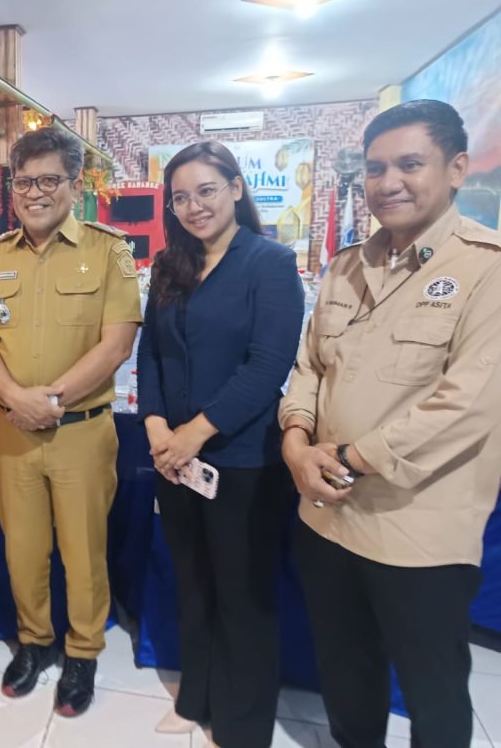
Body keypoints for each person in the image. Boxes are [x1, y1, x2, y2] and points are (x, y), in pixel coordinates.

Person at [280, 99, 501, 748]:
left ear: (456, 169)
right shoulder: (348, 265)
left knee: (434, 694)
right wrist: (295, 441)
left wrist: (345, 459)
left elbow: (468, 405)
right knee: (346, 676)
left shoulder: (486, 268)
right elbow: (310, 365)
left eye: (410, 164)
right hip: (327, 518)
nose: (389, 182)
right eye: (376, 168)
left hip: (418, 532)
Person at [0, 125, 142, 717]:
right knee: (23, 548)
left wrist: (49, 399)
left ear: (74, 183)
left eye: (48, 180)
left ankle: (83, 651)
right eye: (24, 182)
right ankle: (34, 643)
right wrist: (15, 397)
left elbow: (116, 344)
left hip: (81, 433)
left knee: (84, 552)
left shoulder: (109, 251)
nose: (35, 193)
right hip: (13, 430)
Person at [137, 141, 304, 747]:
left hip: (241, 460)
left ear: (235, 188)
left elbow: (267, 366)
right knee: (192, 582)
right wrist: (157, 426)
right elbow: (152, 352)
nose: (194, 206)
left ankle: (243, 725)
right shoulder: (170, 265)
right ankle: (196, 698)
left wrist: (195, 433)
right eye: (180, 197)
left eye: (206, 190)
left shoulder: (270, 263)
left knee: (242, 594)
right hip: (175, 461)